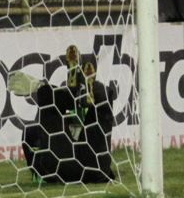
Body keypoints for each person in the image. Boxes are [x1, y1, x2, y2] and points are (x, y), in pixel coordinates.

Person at [8, 45, 116, 184]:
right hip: (96, 168)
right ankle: (83, 90)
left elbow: (32, 142)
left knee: (49, 109)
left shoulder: (35, 133)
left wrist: (38, 87)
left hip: (60, 168)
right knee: (102, 106)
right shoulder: (83, 124)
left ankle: (61, 89)